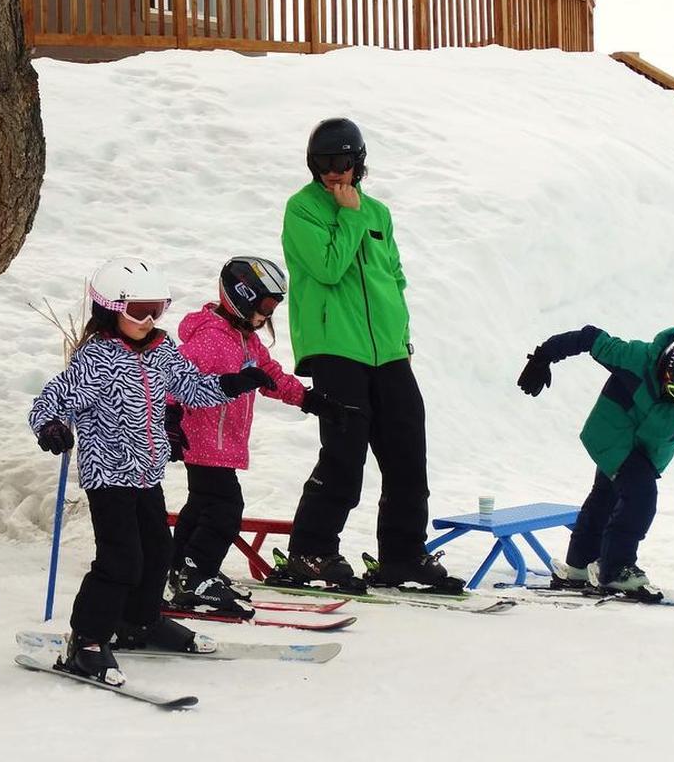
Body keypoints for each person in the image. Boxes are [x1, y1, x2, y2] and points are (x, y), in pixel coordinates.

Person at [28, 257, 276, 687]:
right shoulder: (97, 359)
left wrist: (238, 381)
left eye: (156, 309)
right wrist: (50, 427)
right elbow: (51, 400)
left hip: (148, 474)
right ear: (109, 310)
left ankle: (139, 623)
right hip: (108, 476)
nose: (148, 320)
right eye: (137, 311)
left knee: (158, 553)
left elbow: (193, 389)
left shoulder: (161, 351)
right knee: (120, 560)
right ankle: (85, 641)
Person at [279, 118, 451, 590]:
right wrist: (348, 214)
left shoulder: (380, 213)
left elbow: (394, 278)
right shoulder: (302, 210)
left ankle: (403, 554)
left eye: (343, 164)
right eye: (324, 165)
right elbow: (329, 269)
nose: (334, 174)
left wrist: (403, 340)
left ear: (359, 162)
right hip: (336, 349)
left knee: (407, 455)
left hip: (390, 353)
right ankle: (311, 551)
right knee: (344, 455)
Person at [166, 256, 354, 613]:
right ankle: (196, 575)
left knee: (202, 507)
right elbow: (174, 376)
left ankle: (182, 570)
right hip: (204, 440)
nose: (269, 314)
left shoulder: (245, 341)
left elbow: (270, 375)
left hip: (220, 443)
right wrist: (170, 417)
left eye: (275, 306)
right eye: (266, 304)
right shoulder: (211, 339)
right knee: (225, 509)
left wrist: (310, 400)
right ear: (242, 295)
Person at [517, 326, 674, 601]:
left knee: (603, 499)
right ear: (669, 368)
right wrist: (542, 357)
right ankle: (615, 569)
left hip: (645, 450)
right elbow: (589, 338)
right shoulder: (634, 357)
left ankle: (578, 566)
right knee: (641, 496)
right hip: (611, 436)